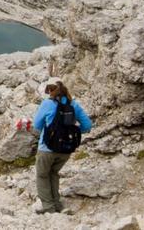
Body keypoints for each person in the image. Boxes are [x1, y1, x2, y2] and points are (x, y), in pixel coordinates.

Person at [33, 78, 92, 214]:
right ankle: (58, 205)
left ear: (50, 90)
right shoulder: (73, 104)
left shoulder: (47, 104)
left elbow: (37, 125)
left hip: (47, 148)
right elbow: (88, 125)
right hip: (66, 149)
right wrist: (72, 131)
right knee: (53, 173)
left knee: (42, 175)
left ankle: (49, 208)